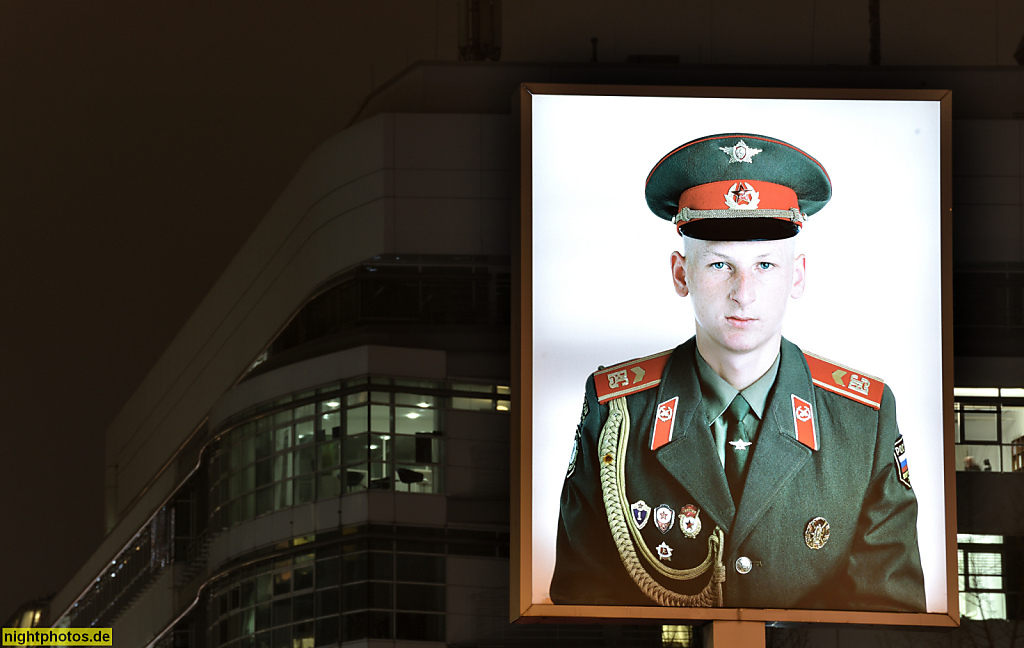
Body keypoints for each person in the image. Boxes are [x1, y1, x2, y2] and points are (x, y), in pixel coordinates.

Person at [550, 133, 926, 611]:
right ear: (681, 274)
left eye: (765, 264)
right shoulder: (617, 411)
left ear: (797, 275)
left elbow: (891, 619)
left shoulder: (862, 420)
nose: (743, 293)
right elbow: (582, 607)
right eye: (719, 265)